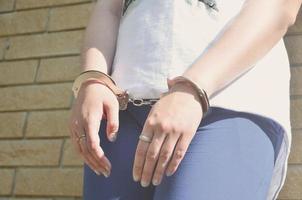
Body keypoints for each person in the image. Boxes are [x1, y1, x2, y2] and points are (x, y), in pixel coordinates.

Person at [68, 0, 301, 199]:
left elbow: (278, 6)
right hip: (121, 111)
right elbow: (108, 8)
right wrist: (94, 78)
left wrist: (193, 86)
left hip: (228, 101)